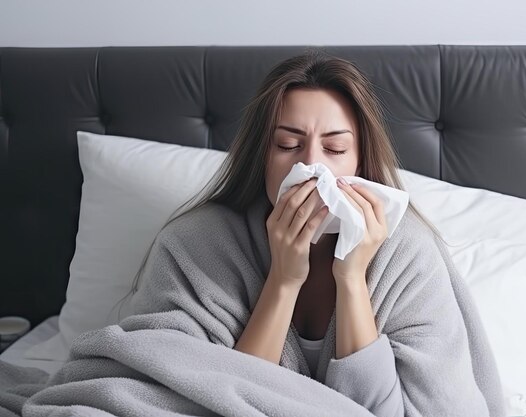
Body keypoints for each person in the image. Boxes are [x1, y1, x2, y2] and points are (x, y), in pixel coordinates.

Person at [120, 51, 503, 416]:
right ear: (262, 156)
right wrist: (283, 280)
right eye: (288, 145)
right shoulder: (195, 245)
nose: (312, 166)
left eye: (335, 148)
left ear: (360, 161)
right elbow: (205, 401)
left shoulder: (407, 255)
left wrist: (352, 279)